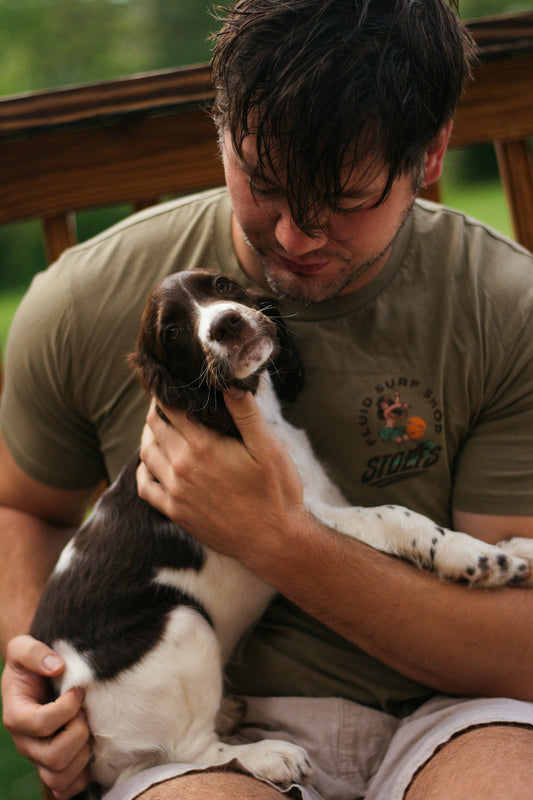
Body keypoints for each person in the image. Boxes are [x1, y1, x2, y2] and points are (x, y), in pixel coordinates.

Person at [2, 0, 533, 798]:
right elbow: (24, 508)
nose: (291, 236)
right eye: (266, 184)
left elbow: (517, 651)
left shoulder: (505, 309)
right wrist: (43, 669)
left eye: (344, 199)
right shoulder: (81, 301)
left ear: (428, 157)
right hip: (208, 735)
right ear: (220, 130)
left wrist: (276, 539)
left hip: (455, 711)